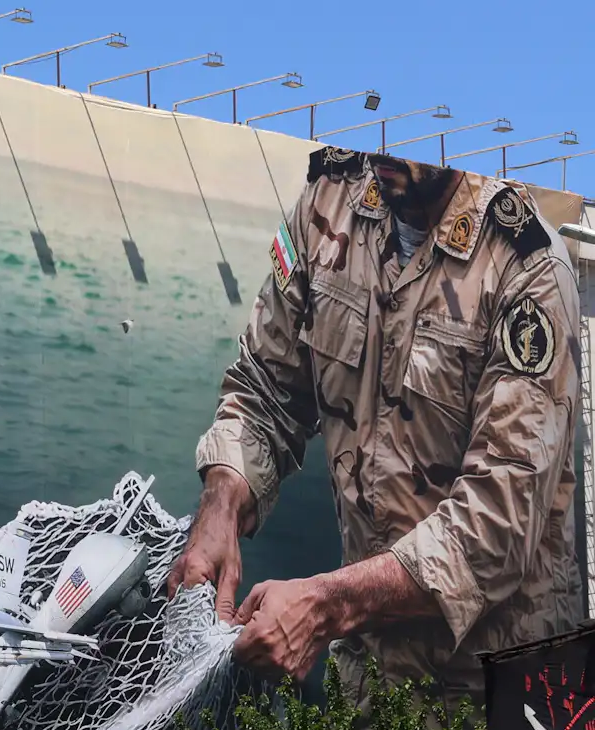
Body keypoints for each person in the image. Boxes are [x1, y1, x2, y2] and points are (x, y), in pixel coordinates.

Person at [173, 147, 581, 701]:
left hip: (504, 704)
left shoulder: (527, 266)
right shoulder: (330, 204)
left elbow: (497, 525)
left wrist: (325, 604)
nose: (383, 150)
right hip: (369, 680)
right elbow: (266, 390)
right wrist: (220, 505)